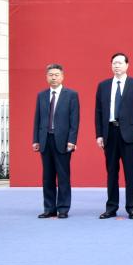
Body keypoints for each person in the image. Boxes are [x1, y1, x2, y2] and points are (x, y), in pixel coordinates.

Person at [95, 52, 133, 219]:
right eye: (114, 63)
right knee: (111, 172)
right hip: (109, 133)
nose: (116, 66)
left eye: (120, 63)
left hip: (130, 135)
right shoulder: (103, 85)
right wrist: (99, 134)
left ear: (127, 65)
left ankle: (132, 207)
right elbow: (98, 112)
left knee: (131, 173)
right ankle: (111, 207)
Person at [32, 63, 79, 219]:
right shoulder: (41, 95)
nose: (53, 77)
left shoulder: (71, 95)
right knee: (48, 177)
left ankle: (63, 208)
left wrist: (72, 140)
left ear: (62, 77)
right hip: (45, 140)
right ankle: (49, 208)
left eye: (56, 75)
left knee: (63, 176)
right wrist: (36, 140)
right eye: (51, 75)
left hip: (63, 141)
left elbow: (74, 120)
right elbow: (37, 119)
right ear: (47, 77)